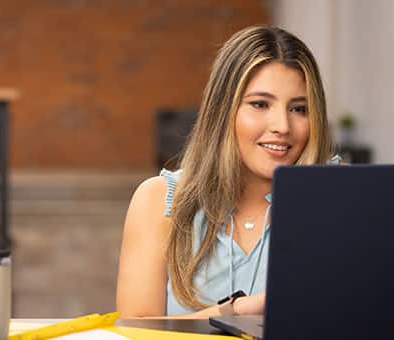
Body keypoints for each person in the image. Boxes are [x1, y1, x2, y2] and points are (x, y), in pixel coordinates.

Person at [116, 26, 334, 318]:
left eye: (299, 109)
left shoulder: (339, 196)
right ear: (223, 108)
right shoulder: (158, 201)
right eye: (260, 104)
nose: (282, 125)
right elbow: (137, 332)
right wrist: (238, 310)